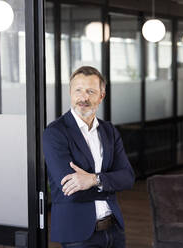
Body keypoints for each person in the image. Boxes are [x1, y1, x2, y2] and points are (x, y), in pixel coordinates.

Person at [43, 66, 135, 248]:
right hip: (78, 234)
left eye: (90, 91)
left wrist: (93, 179)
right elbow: (69, 189)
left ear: (101, 96)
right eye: (78, 90)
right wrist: (110, 181)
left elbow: (128, 178)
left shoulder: (109, 131)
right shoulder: (55, 133)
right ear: (70, 92)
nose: (83, 98)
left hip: (114, 229)